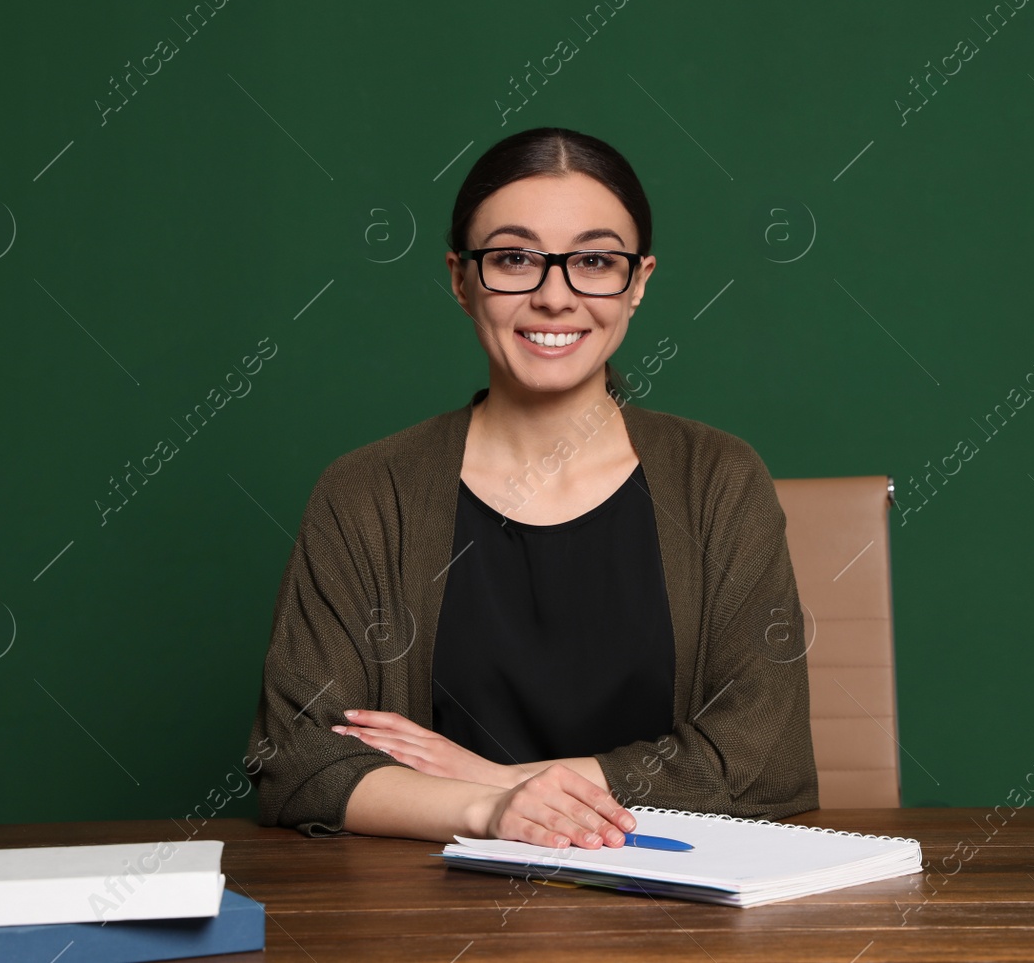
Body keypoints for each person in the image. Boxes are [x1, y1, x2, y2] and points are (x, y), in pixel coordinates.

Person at [245, 127, 817, 852]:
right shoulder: (367, 492)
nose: (554, 296)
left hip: (679, 912)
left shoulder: (720, 478)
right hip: (430, 917)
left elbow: (765, 762)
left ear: (638, 282)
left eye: (594, 261)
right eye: (513, 258)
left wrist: (495, 775)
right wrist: (488, 809)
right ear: (461, 279)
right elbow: (297, 762)